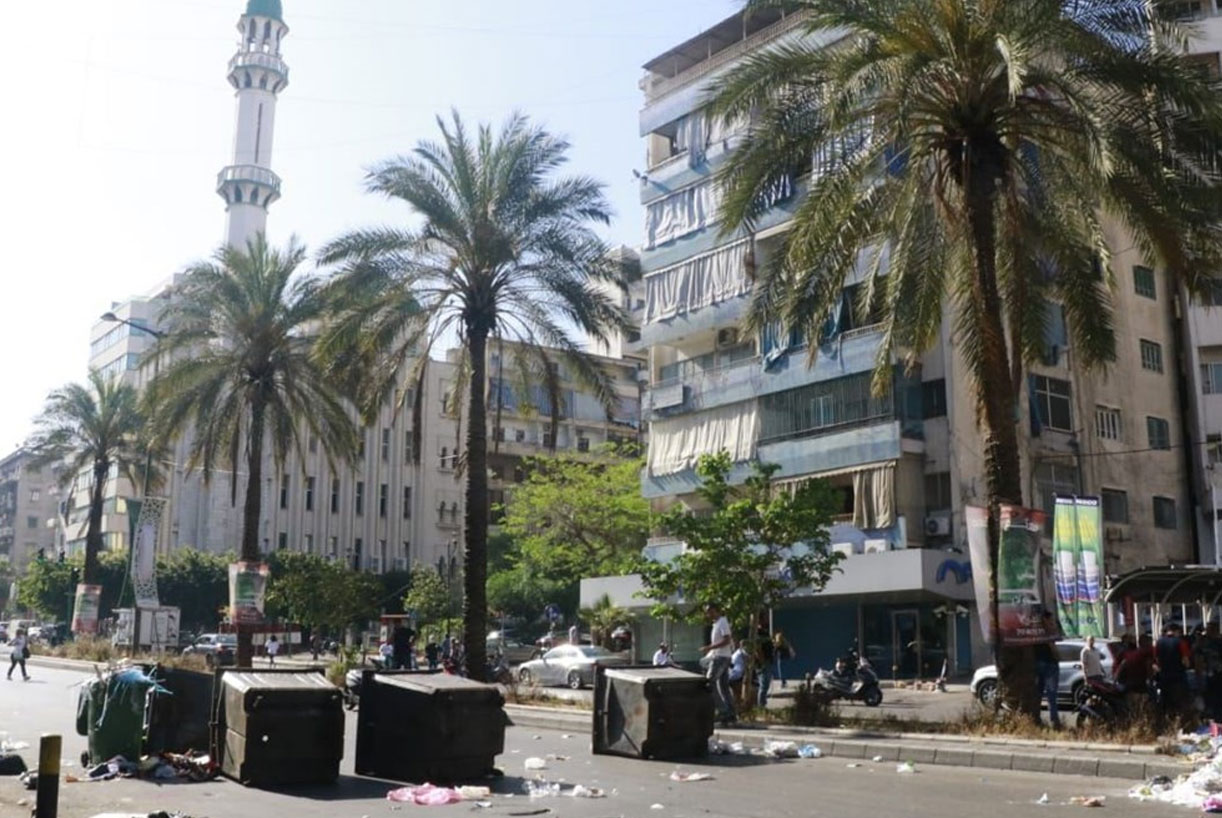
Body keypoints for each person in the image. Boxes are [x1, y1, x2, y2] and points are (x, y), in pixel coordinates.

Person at [700, 602, 736, 725]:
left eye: (710, 612)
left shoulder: (722, 622)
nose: (708, 615)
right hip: (722, 656)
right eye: (707, 613)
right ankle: (731, 714)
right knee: (723, 686)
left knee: (709, 682)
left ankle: (723, 711)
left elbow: (727, 640)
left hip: (721, 657)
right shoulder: (717, 624)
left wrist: (710, 647)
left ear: (716, 610)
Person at [1157, 622, 1192, 717]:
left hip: (1164, 676)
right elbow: (1186, 660)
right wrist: (1187, 666)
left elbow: (1157, 660)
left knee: (1167, 702)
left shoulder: (1159, 643)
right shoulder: (1181, 642)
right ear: (1176, 631)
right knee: (1180, 702)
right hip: (1178, 676)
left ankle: (1168, 720)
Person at [1033, 613, 1061, 728]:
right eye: (1051, 621)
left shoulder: (1035, 633)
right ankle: (1054, 721)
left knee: (1038, 694)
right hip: (1049, 664)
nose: (1053, 623)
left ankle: (1035, 719)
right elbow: (1053, 649)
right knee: (1051, 695)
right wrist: (1057, 657)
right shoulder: (1049, 633)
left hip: (1038, 664)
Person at [755, 627, 775, 708]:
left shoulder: (765, 633)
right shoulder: (758, 634)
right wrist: (762, 662)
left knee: (766, 684)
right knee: (763, 685)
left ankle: (763, 703)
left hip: (767, 661)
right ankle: (761, 705)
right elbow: (758, 649)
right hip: (763, 662)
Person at [729, 640, 748, 708]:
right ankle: (738, 707)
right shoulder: (742, 652)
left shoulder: (736, 653)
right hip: (737, 675)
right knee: (739, 693)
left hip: (731, 675)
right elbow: (748, 661)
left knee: (735, 694)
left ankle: (735, 707)